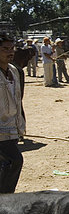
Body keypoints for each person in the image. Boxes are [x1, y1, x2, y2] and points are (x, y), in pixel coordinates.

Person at [0, 36, 25, 193]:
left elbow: (18, 99)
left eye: (12, 49)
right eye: (5, 49)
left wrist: (20, 123)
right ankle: (5, 199)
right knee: (15, 160)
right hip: (0, 130)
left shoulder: (14, 70)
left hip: (13, 127)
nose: (10, 52)